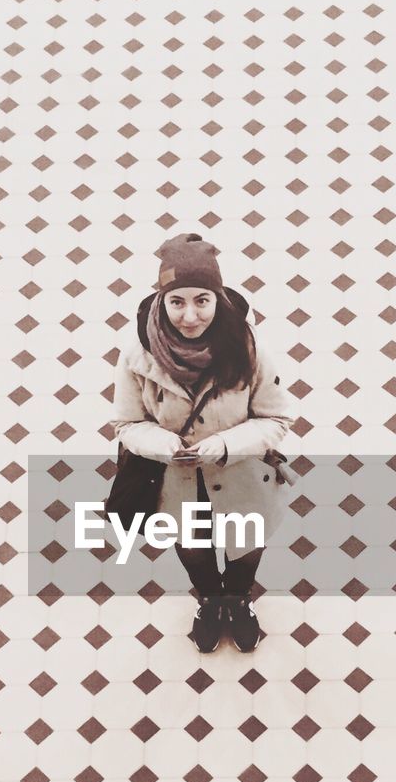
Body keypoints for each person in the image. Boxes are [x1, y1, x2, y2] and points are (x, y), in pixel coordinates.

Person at [110, 233, 295, 651]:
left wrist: (226, 444)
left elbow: (277, 418)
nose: (189, 316)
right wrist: (164, 445)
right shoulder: (137, 356)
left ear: (217, 298)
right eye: (177, 301)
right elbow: (127, 424)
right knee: (193, 550)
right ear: (161, 300)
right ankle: (211, 601)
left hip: (242, 475)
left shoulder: (249, 349)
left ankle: (238, 600)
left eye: (201, 301)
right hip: (176, 483)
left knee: (245, 547)